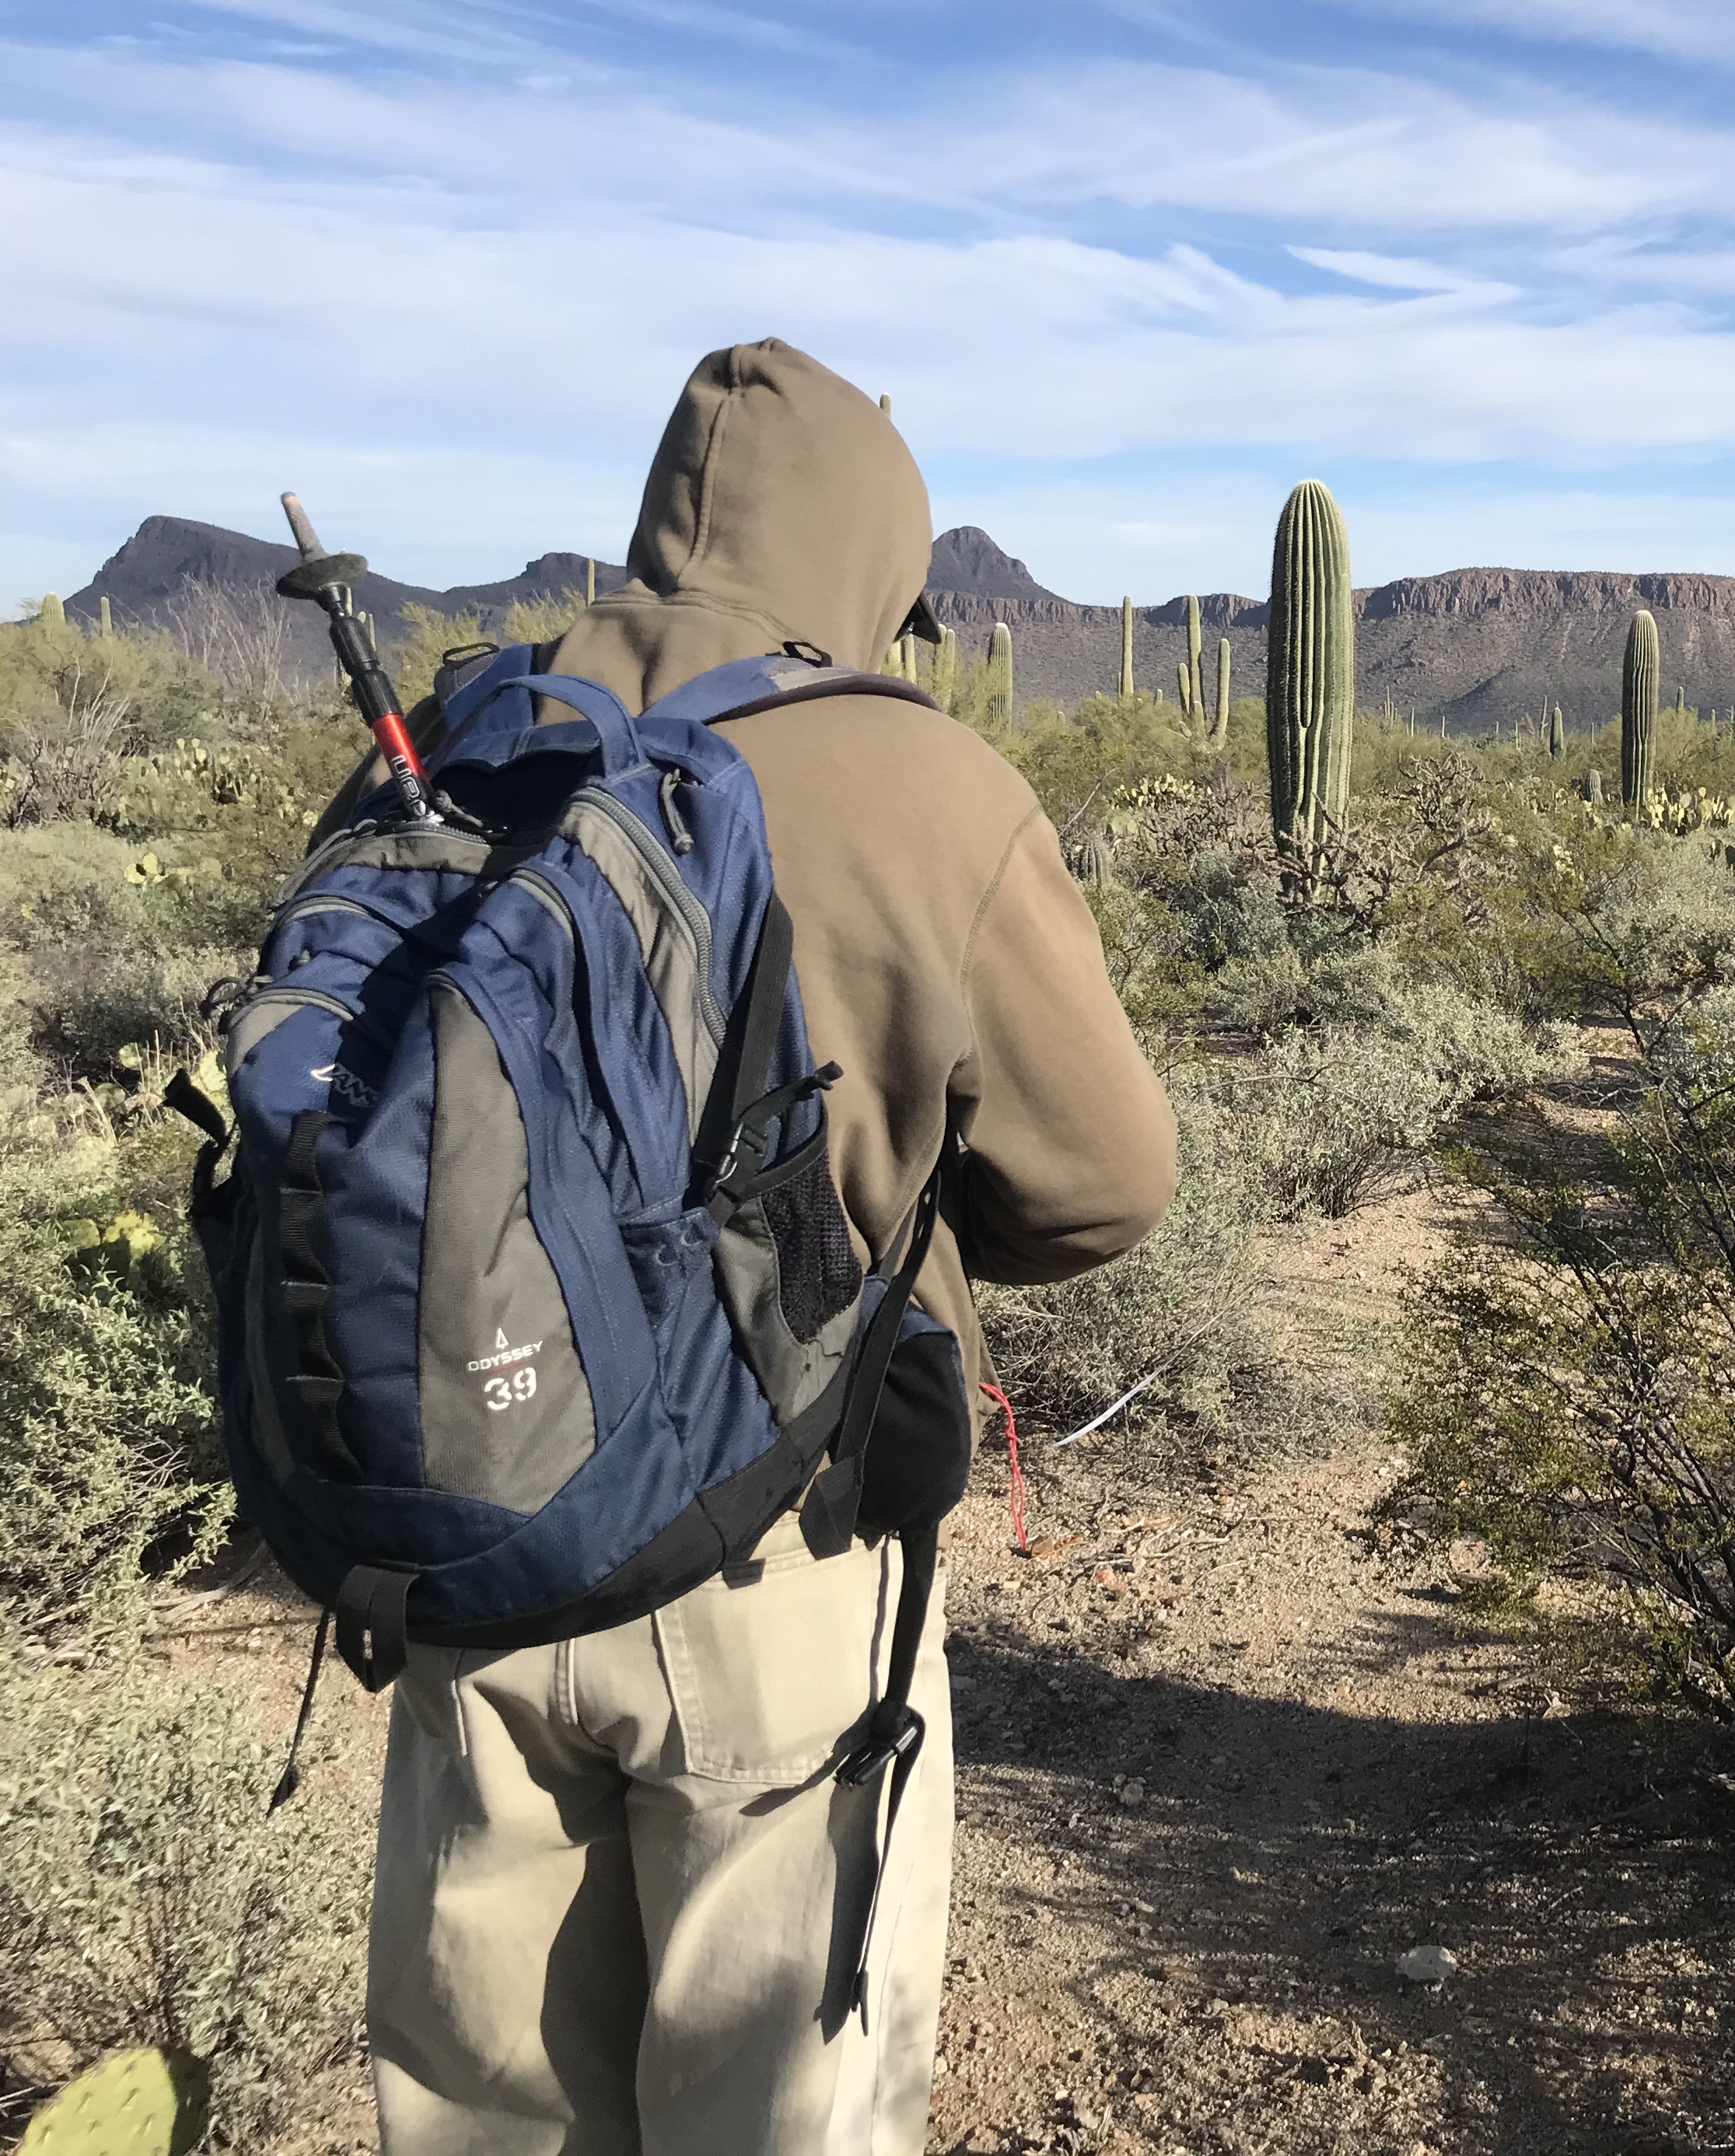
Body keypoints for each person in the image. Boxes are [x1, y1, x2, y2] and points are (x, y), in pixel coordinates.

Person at [352, 341, 1180, 2154]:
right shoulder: (916, 775)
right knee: (779, 2106)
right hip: (770, 1548)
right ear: (882, 544)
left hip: (462, 1518)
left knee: (482, 2111)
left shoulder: (464, 725)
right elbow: (1111, 1180)